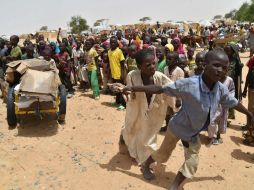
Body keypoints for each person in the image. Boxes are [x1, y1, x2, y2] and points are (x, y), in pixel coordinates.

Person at [121, 49, 254, 189]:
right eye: (216, 65)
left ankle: (175, 186)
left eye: (224, 68)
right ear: (206, 65)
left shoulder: (220, 89)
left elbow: (233, 102)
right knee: (162, 155)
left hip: (192, 133)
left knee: (192, 162)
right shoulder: (190, 84)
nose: (220, 70)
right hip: (177, 127)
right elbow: (160, 89)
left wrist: (249, 114)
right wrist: (133, 87)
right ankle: (146, 165)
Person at [118, 48, 173, 179]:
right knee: (133, 128)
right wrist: (123, 91)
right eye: (148, 65)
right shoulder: (133, 75)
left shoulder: (160, 77)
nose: (152, 67)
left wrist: (172, 106)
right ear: (139, 66)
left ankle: (145, 162)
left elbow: (172, 90)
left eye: (154, 63)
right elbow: (130, 92)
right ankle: (128, 142)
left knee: (150, 134)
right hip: (136, 108)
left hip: (155, 109)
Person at [207, 63, 235, 145]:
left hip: (223, 105)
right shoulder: (214, 78)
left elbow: (232, 90)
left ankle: (218, 136)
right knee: (213, 120)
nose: (222, 71)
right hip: (214, 104)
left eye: (225, 69)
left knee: (221, 121)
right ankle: (212, 136)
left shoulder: (229, 80)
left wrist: (228, 99)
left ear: (227, 70)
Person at [160, 52, 184, 132]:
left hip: (175, 95)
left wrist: (178, 99)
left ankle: (176, 129)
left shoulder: (179, 71)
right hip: (167, 94)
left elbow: (180, 86)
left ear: (176, 61)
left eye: (170, 59)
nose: (167, 60)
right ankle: (167, 126)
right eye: (167, 58)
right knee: (167, 113)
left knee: (175, 113)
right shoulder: (165, 69)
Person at [224, 44, 243, 119]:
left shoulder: (235, 60)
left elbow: (238, 72)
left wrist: (239, 81)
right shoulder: (223, 59)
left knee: (232, 97)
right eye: (225, 50)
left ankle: (231, 114)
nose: (226, 52)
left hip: (232, 82)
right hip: (223, 82)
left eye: (228, 51)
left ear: (232, 52)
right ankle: (226, 115)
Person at [108, 36, 126, 110]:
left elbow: (122, 63)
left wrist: (122, 74)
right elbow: (110, 63)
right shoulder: (109, 51)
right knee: (116, 89)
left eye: (114, 42)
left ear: (117, 43)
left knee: (121, 89)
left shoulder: (119, 51)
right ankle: (117, 101)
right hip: (113, 74)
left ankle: (123, 103)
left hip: (119, 74)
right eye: (111, 42)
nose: (112, 44)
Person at [242, 56, 254, 145]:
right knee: (250, 111)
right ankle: (250, 133)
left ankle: (251, 137)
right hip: (252, 89)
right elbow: (249, 74)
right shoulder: (253, 59)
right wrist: (245, 89)